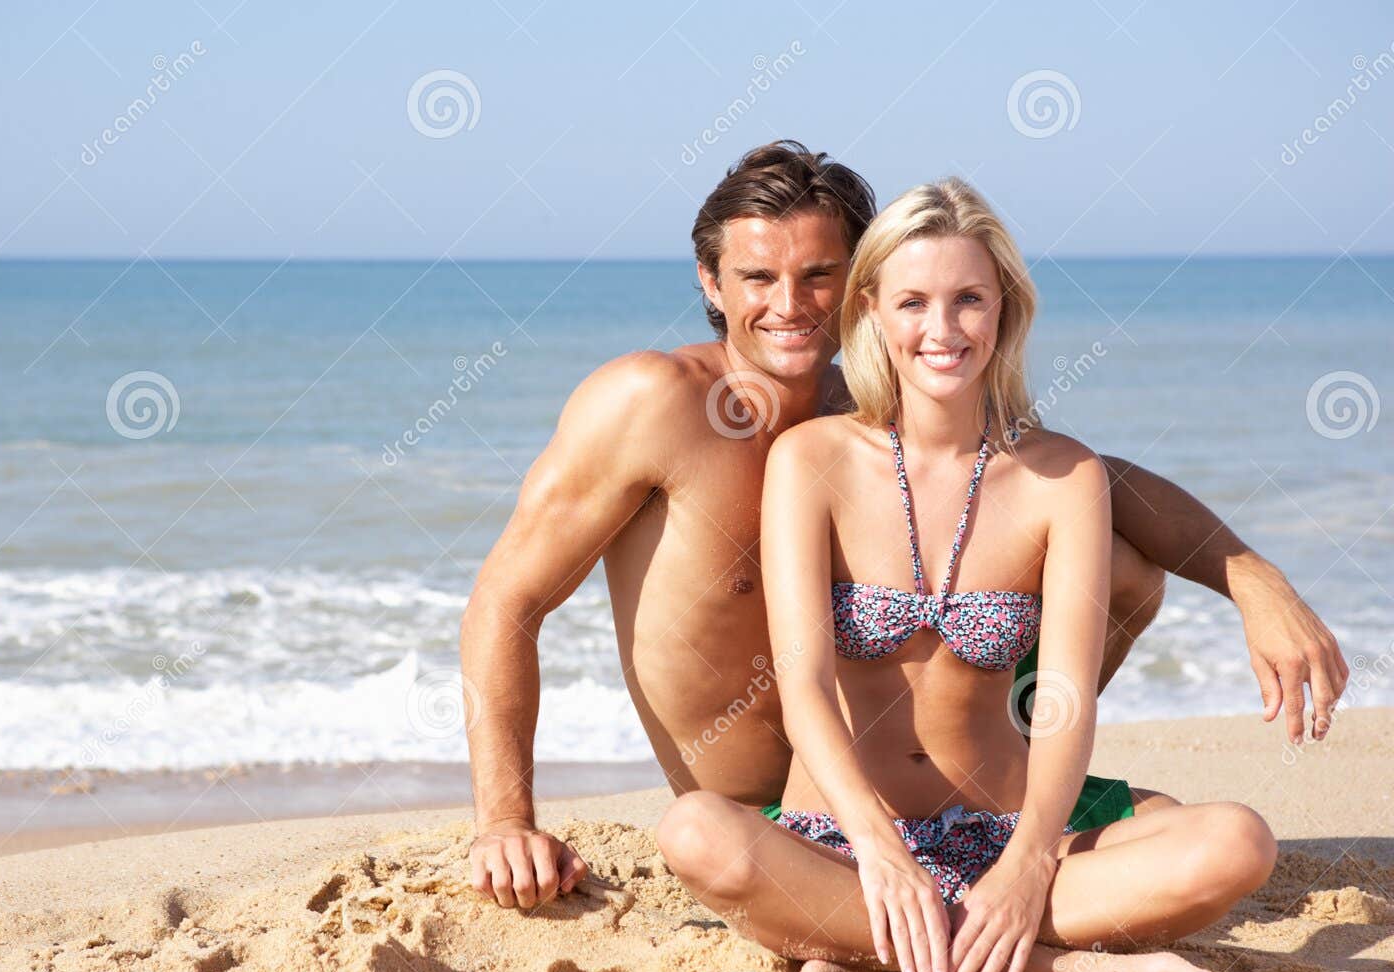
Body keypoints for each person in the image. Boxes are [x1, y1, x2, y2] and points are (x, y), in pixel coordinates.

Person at [461, 141, 1347, 917]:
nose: (791, 305)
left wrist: (1250, 576)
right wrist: (505, 822)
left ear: (862, 282)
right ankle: (1024, 929)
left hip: (953, 791)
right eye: (757, 279)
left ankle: (1009, 804)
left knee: (1122, 570)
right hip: (774, 816)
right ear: (709, 283)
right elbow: (508, 600)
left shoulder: (875, 414)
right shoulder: (653, 404)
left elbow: (1087, 479)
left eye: (819, 275)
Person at [657, 178, 1281, 972]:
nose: (942, 329)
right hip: (841, 843)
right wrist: (882, 852)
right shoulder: (811, 462)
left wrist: (1026, 865)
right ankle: (1050, 971)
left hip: (1002, 838)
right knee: (696, 832)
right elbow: (803, 686)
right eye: (913, 301)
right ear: (872, 309)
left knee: (1237, 841)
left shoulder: (1066, 476)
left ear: (1006, 310)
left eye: (969, 300)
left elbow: (1060, 697)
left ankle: (874, 947)